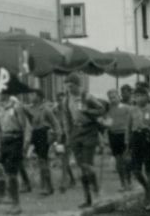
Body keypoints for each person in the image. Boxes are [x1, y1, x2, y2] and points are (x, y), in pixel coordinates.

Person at [63, 73, 104, 208]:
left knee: (87, 165)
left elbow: (101, 109)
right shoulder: (66, 99)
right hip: (76, 131)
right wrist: (69, 135)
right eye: (67, 86)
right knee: (81, 168)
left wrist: (88, 111)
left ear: (77, 85)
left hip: (89, 130)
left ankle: (97, 194)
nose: (69, 89)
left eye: (71, 86)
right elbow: (67, 118)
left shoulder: (86, 96)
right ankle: (87, 198)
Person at [126, 84, 150, 212]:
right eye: (136, 96)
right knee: (135, 170)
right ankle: (147, 187)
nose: (138, 98)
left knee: (149, 170)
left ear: (147, 97)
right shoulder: (131, 110)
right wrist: (127, 142)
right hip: (136, 139)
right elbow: (128, 127)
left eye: (141, 96)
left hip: (147, 140)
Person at [0, 90, 28, 215]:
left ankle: (16, 204)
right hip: (4, 140)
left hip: (15, 139)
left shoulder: (16, 107)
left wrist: (25, 145)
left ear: (5, 93)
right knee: (4, 172)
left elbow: (25, 127)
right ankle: (10, 198)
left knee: (12, 174)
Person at [23, 89, 61, 196]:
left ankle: (48, 187)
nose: (30, 96)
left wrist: (58, 135)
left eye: (33, 95)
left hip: (43, 134)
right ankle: (45, 186)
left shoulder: (45, 109)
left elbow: (55, 122)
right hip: (34, 134)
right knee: (40, 161)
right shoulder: (29, 108)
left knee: (43, 161)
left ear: (39, 97)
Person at [106, 89, 131, 192]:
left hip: (124, 135)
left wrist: (129, 136)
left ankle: (129, 181)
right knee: (118, 162)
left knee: (126, 160)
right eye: (110, 97)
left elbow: (131, 122)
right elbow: (108, 123)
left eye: (114, 97)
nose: (112, 99)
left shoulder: (126, 108)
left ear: (118, 96)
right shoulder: (108, 109)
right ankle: (122, 183)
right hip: (113, 135)